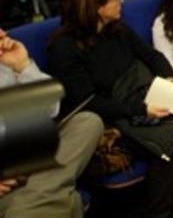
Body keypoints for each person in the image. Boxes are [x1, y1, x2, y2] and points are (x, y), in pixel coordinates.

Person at [48, 0, 173, 217]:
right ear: (97, 8)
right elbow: (88, 102)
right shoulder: (65, 48)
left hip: (138, 97)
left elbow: (152, 56)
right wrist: (141, 110)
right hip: (107, 117)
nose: (121, 2)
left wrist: (170, 80)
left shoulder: (117, 29)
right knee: (168, 137)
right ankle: (160, 211)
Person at [0, 28, 103, 218]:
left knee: (88, 122)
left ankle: (31, 204)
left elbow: (51, 109)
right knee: (68, 201)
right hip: (9, 185)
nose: (2, 33)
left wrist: (23, 66)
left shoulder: (6, 61)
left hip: (34, 159)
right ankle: (44, 200)